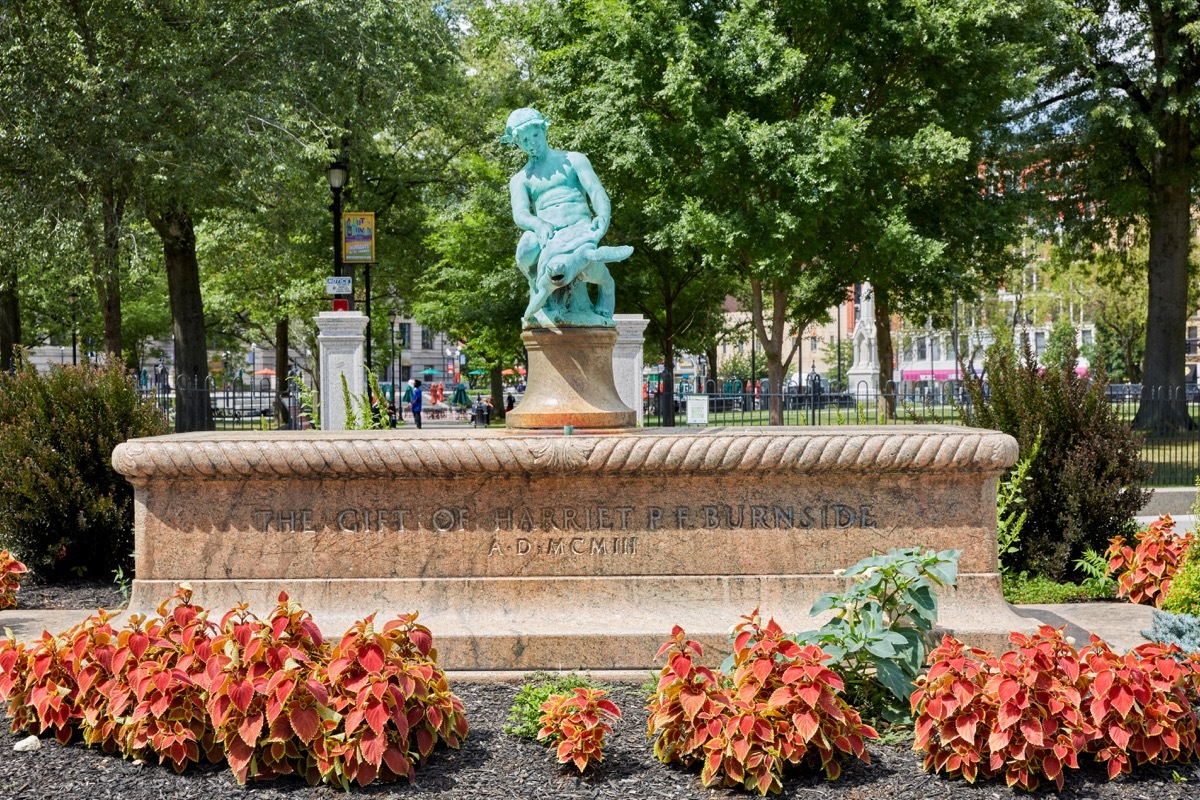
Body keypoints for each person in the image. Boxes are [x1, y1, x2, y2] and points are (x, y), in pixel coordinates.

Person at [502, 108, 634, 327]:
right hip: (548, 233)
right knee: (525, 250)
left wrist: (602, 215)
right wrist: (538, 223)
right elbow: (521, 214)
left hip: (579, 228)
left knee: (586, 269)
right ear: (518, 144)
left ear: (544, 130)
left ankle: (605, 287)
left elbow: (596, 191)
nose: (531, 143)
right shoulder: (520, 179)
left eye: (535, 135)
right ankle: (540, 295)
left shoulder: (573, 160)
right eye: (524, 140)